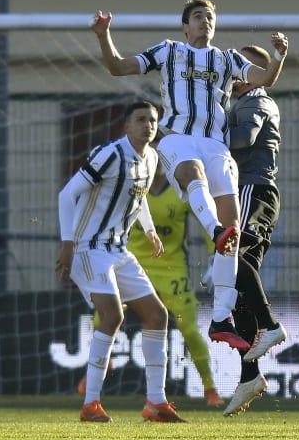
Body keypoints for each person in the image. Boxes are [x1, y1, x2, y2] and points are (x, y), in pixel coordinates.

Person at [91, 0, 289, 351]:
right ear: (185, 26)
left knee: (234, 227)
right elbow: (118, 67)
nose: (205, 21)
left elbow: (264, 78)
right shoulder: (169, 51)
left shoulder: (227, 59)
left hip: (216, 145)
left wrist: (278, 57)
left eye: (210, 16)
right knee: (197, 182)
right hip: (178, 139)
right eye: (198, 16)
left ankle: (220, 317)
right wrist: (104, 35)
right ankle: (214, 230)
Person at [57, 100, 187, 423]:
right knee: (112, 315)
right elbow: (66, 195)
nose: (149, 125)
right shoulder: (109, 154)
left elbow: (137, 197)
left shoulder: (152, 157)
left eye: (153, 120)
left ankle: (156, 403)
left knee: (157, 315)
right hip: (88, 247)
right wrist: (67, 244)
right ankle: (91, 404)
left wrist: (150, 230)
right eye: (141, 119)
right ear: (126, 126)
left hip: (118, 249)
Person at [75, 162, 224, 407]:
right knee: (103, 315)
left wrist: (214, 256)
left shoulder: (181, 191)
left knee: (189, 330)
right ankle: (103, 362)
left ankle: (210, 389)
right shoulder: (130, 188)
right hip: (133, 262)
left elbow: (207, 221)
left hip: (171, 268)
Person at [221, 45, 288, 417]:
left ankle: (270, 325)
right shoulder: (240, 101)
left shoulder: (257, 102)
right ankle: (250, 375)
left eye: (243, 66)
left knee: (232, 260)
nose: (235, 71)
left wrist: (207, 141)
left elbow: (244, 139)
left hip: (253, 190)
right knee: (237, 284)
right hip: (248, 191)